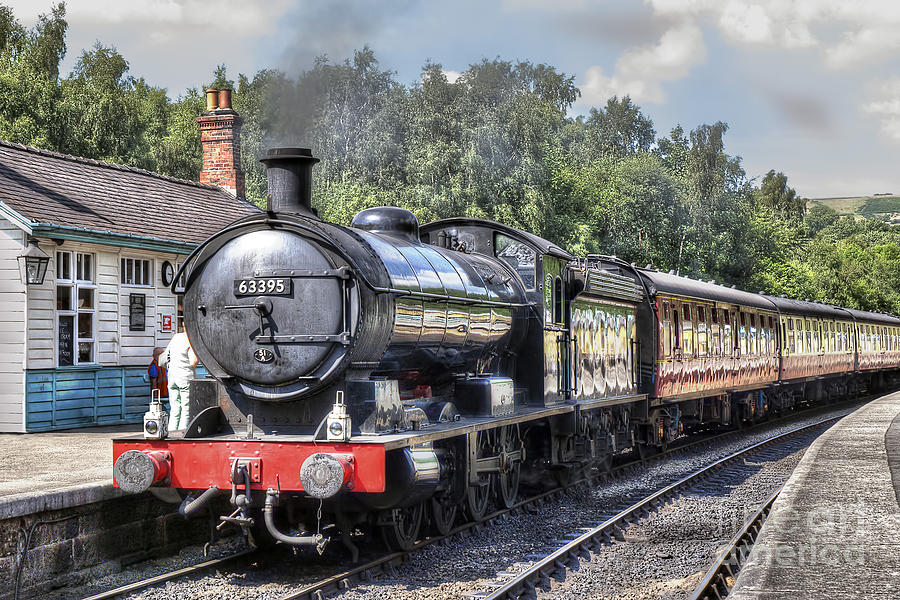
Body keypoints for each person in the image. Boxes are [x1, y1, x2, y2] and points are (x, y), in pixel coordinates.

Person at [159, 323, 198, 432]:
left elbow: (165, 357)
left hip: (171, 377)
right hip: (185, 377)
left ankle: (171, 433)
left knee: (175, 408)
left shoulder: (176, 337)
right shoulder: (190, 339)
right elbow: (193, 362)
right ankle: (182, 434)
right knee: (186, 408)